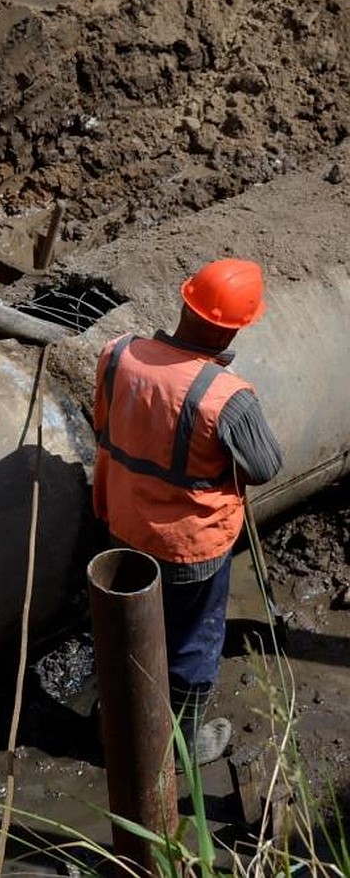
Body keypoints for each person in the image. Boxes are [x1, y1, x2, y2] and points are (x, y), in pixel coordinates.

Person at [92, 259, 283, 767]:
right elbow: (264, 466)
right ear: (233, 327)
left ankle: (115, 715)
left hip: (121, 524)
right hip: (189, 547)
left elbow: (105, 425)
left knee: (130, 627)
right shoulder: (228, 398)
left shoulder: (118, 353)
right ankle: (180, 745)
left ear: (184, 303)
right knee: (192, 643)